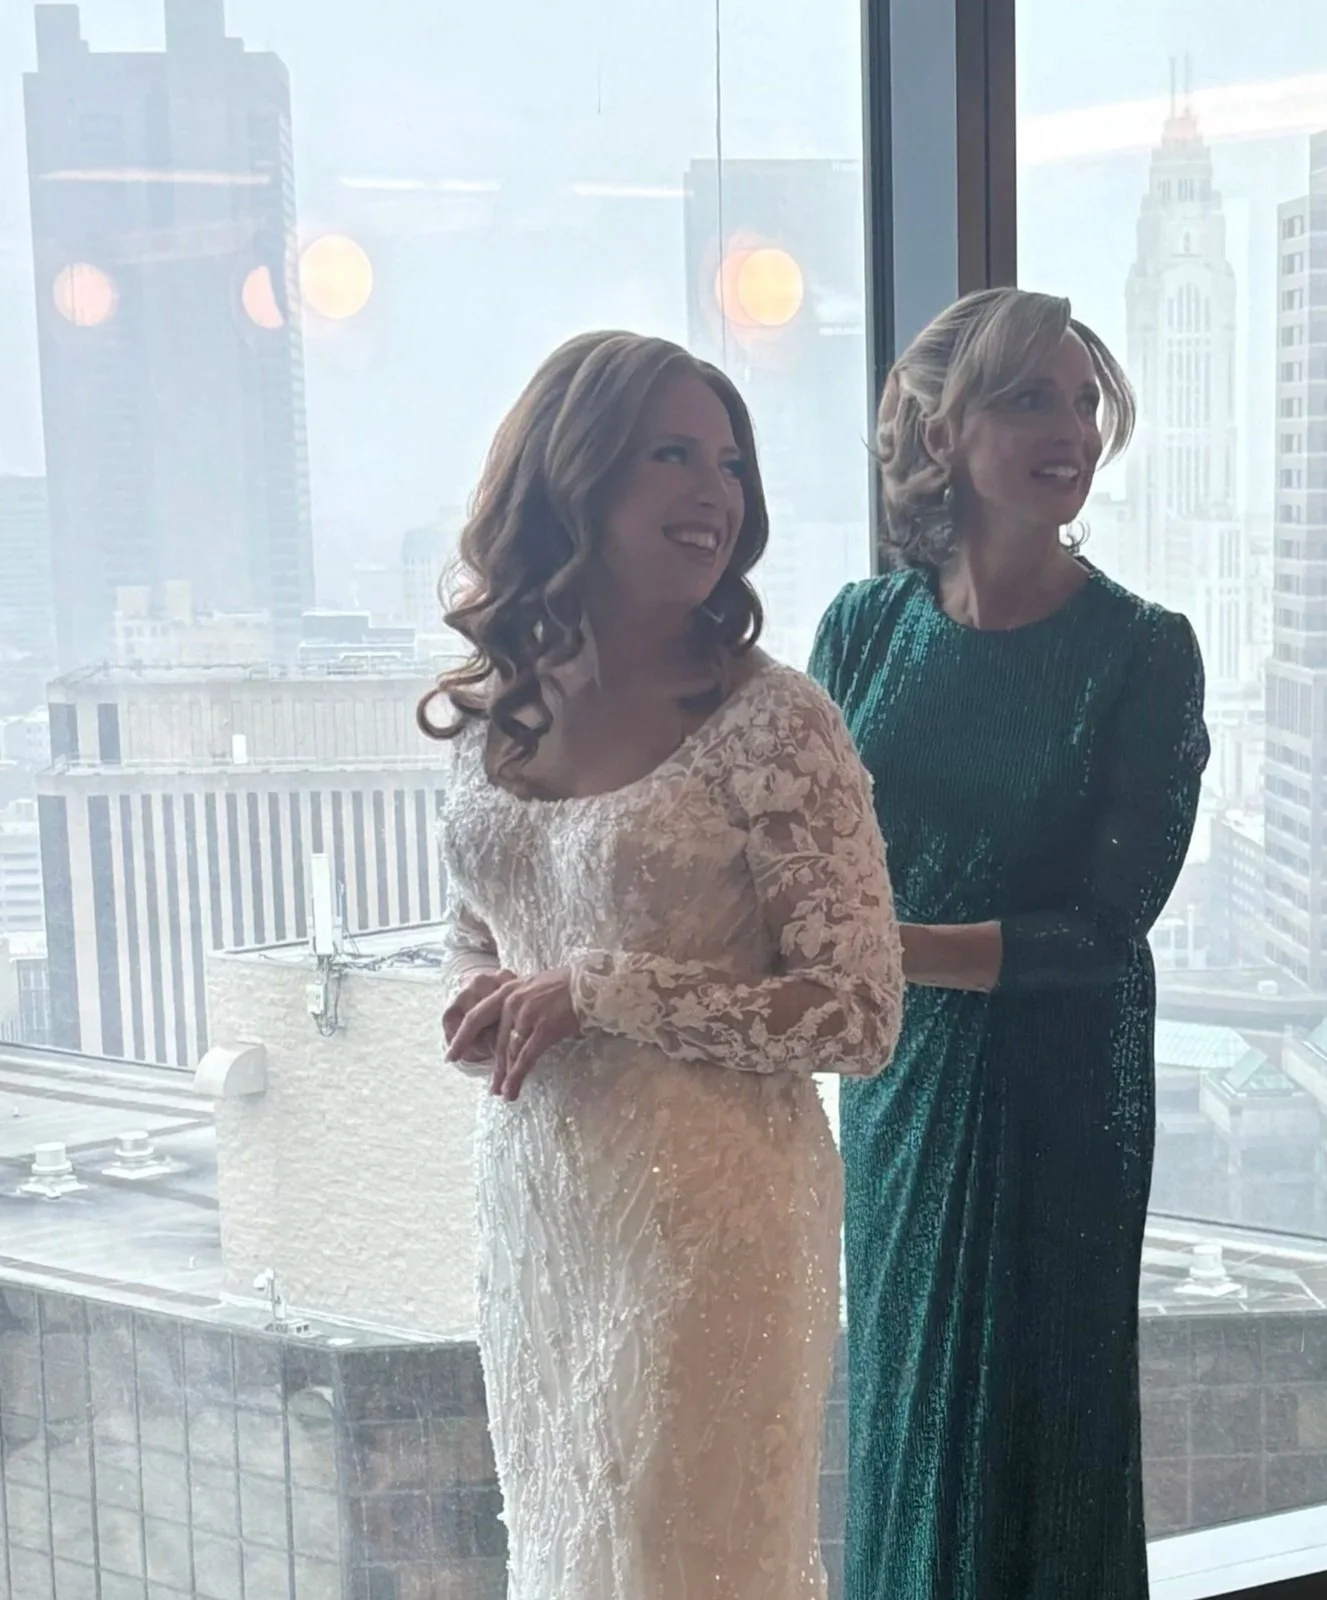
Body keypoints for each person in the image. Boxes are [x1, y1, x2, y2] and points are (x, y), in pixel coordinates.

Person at [422, 330, 903, 1600]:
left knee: (677, 1557)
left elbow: (858, 1013)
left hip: (714, 1212)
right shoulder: (492, 709)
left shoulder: (774, 719)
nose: (716, 493)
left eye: (731, 463)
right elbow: (485, 924)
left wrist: (598, 991)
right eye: (673, 455)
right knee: (567, 1541)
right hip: (541, 1199)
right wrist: (482, 991)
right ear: (571, 476)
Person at [809, 287, 1209, 1599]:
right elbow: (796, 862)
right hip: (898, 1091)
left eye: (1086, 400)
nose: (1073, 427)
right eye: (1030, 395)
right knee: (905, 1416)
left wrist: (883, 951)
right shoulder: (862, 629)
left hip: (1053, 1101)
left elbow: (1102, 932)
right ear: (941, 428)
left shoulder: (1145, 652)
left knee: (1040, 1436)